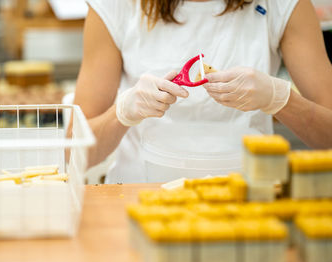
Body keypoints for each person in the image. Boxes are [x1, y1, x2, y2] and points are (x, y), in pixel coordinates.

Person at [73, 0, 332, 183]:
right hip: (139, 197)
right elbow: (73, 153)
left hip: (248, 201)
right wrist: (122, 112)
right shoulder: (115, 5)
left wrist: (281, 99)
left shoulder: (284, 5)